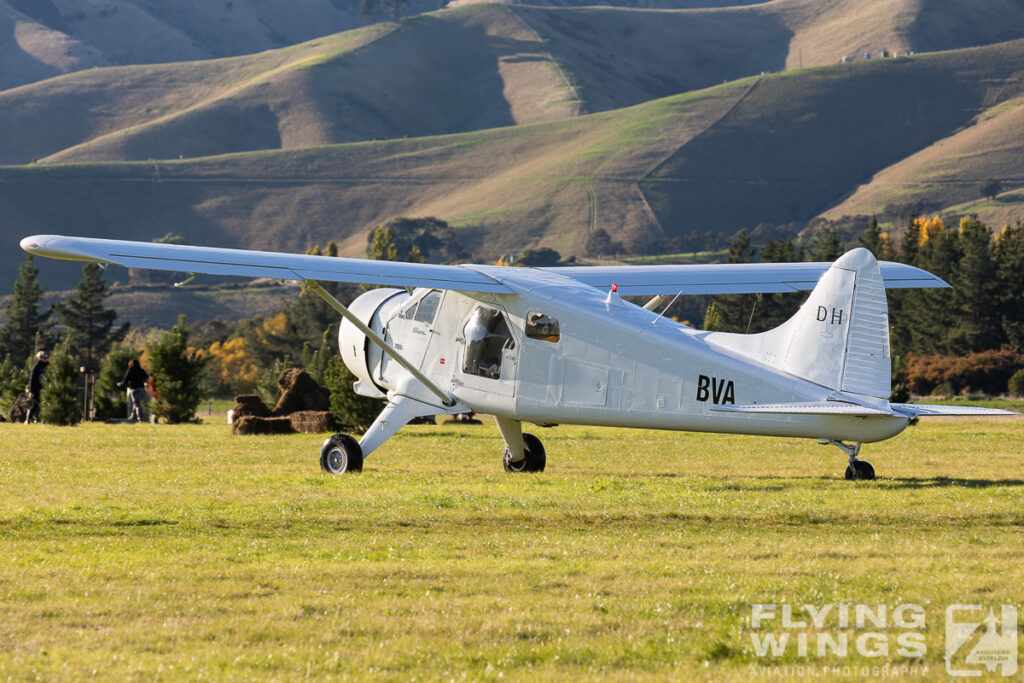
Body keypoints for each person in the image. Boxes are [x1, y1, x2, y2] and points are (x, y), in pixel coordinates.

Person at [25, 350, 49, 424]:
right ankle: (28, 419)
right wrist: (31, 391)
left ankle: (44, 420)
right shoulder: (36, 367)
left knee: (45, 404)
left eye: (46, 357)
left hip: (46, 388)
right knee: (35, 405)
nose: (46, 359)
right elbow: (32, 380)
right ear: (39, 358)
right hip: (36, 389)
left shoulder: (48, 366)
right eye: (44, 357)